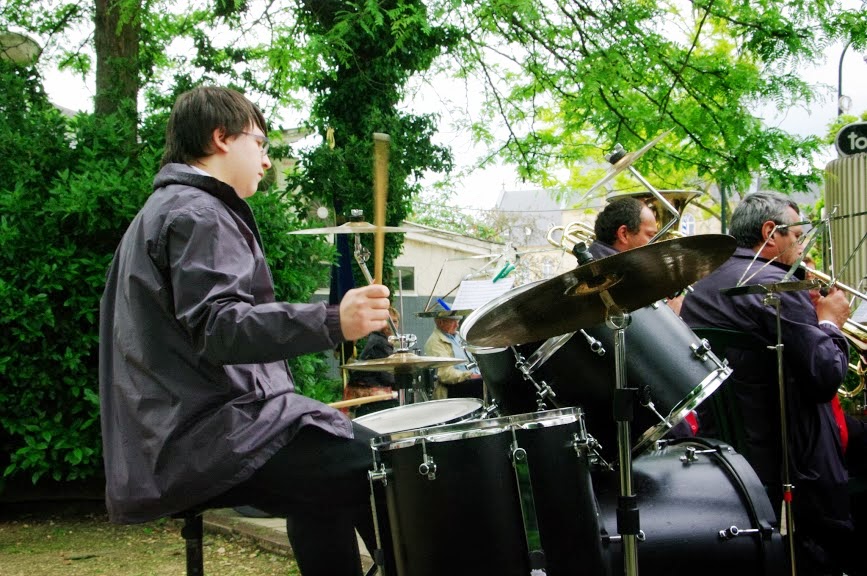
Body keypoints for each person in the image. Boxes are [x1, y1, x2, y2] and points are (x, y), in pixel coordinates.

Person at [99, 86, 393, 576]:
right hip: (208, 437)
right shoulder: (198, 213)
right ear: (220, 138)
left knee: (324, 486)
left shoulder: (161, 213)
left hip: (178, 436)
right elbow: (220, 328)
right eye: (260, 143)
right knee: (393, 468)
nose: (265, 159)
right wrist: (332, 320)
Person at [680, 191, 863, 576]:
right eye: (797, 236)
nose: (799, 246)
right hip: (794, 456)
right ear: (770, 232)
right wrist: (829, 322)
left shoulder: (702, 286)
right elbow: (826, 378)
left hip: (733, 448)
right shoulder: (775, 287)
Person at [589, 196, 684, 315]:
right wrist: (670, 310)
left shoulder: (597, 265)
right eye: (650, 235)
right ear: (624, 234)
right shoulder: (617, 280)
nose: (654, 243)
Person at [345, 306, 401, 417]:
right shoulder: (380, 343)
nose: (392, 325)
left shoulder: (379, 339)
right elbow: (387, 377)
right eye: (387, 321)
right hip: (370, 398)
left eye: (394, 321)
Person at [423, 314, 483, 400]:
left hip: (472, 380)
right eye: (453, 321)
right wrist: (469, 375)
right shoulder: (434, 342)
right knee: (484, 385)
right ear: (440, 322)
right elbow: (445, 374)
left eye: (458, 321)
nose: (457, 325)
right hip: (453, 386)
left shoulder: (459, 336)